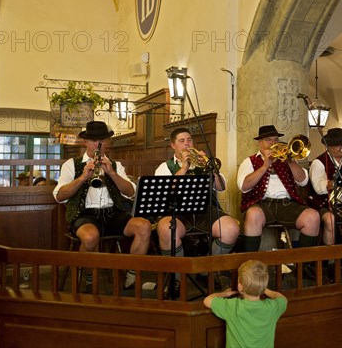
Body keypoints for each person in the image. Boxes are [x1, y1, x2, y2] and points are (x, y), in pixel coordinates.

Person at [53, 121, 151, 291]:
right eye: (93, 140)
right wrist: (83, 177)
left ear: (107, 143)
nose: (98, 144)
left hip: (113, 213)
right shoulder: (71, 164)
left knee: (144, 226)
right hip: (85, 214)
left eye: (102, 140)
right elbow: (60, 196)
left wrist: (111, 173)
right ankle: (91, 280)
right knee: (90, 238)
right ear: (85, 142)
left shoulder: (116, 165)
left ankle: (131, 277)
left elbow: (130, 192)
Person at [154, 127, 239, 264]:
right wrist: (184, 168)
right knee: (166, 229)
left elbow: (221, 187)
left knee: (231, 228)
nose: (187, 144)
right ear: (173, 145)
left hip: (205, 211)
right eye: (182, 141)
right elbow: (165, 193)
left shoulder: (203, 163)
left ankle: (207, 269)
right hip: (177, 213)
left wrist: (209, 167)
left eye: (189, 140)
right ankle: (176, 276)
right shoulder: (165, 167)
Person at [237, 125, 320, 252]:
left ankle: (303, 265)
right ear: (260, 142)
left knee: (313, 217)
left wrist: (290, 161)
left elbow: (303, 181)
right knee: (253, 214)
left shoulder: (287, 160)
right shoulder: (249, 161)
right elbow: (244, 186)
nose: (273, 143)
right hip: (262, 204)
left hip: (287, 204)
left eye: (276, 139)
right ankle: (251, 262)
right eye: (268, 140)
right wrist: (265, 166)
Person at [203, 260, 287, 348]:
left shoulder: (233, 306)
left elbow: (207, 300)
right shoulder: (272, 308)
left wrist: (225, 294)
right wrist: (264, 289)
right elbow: (282, 298)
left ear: (240, 286)